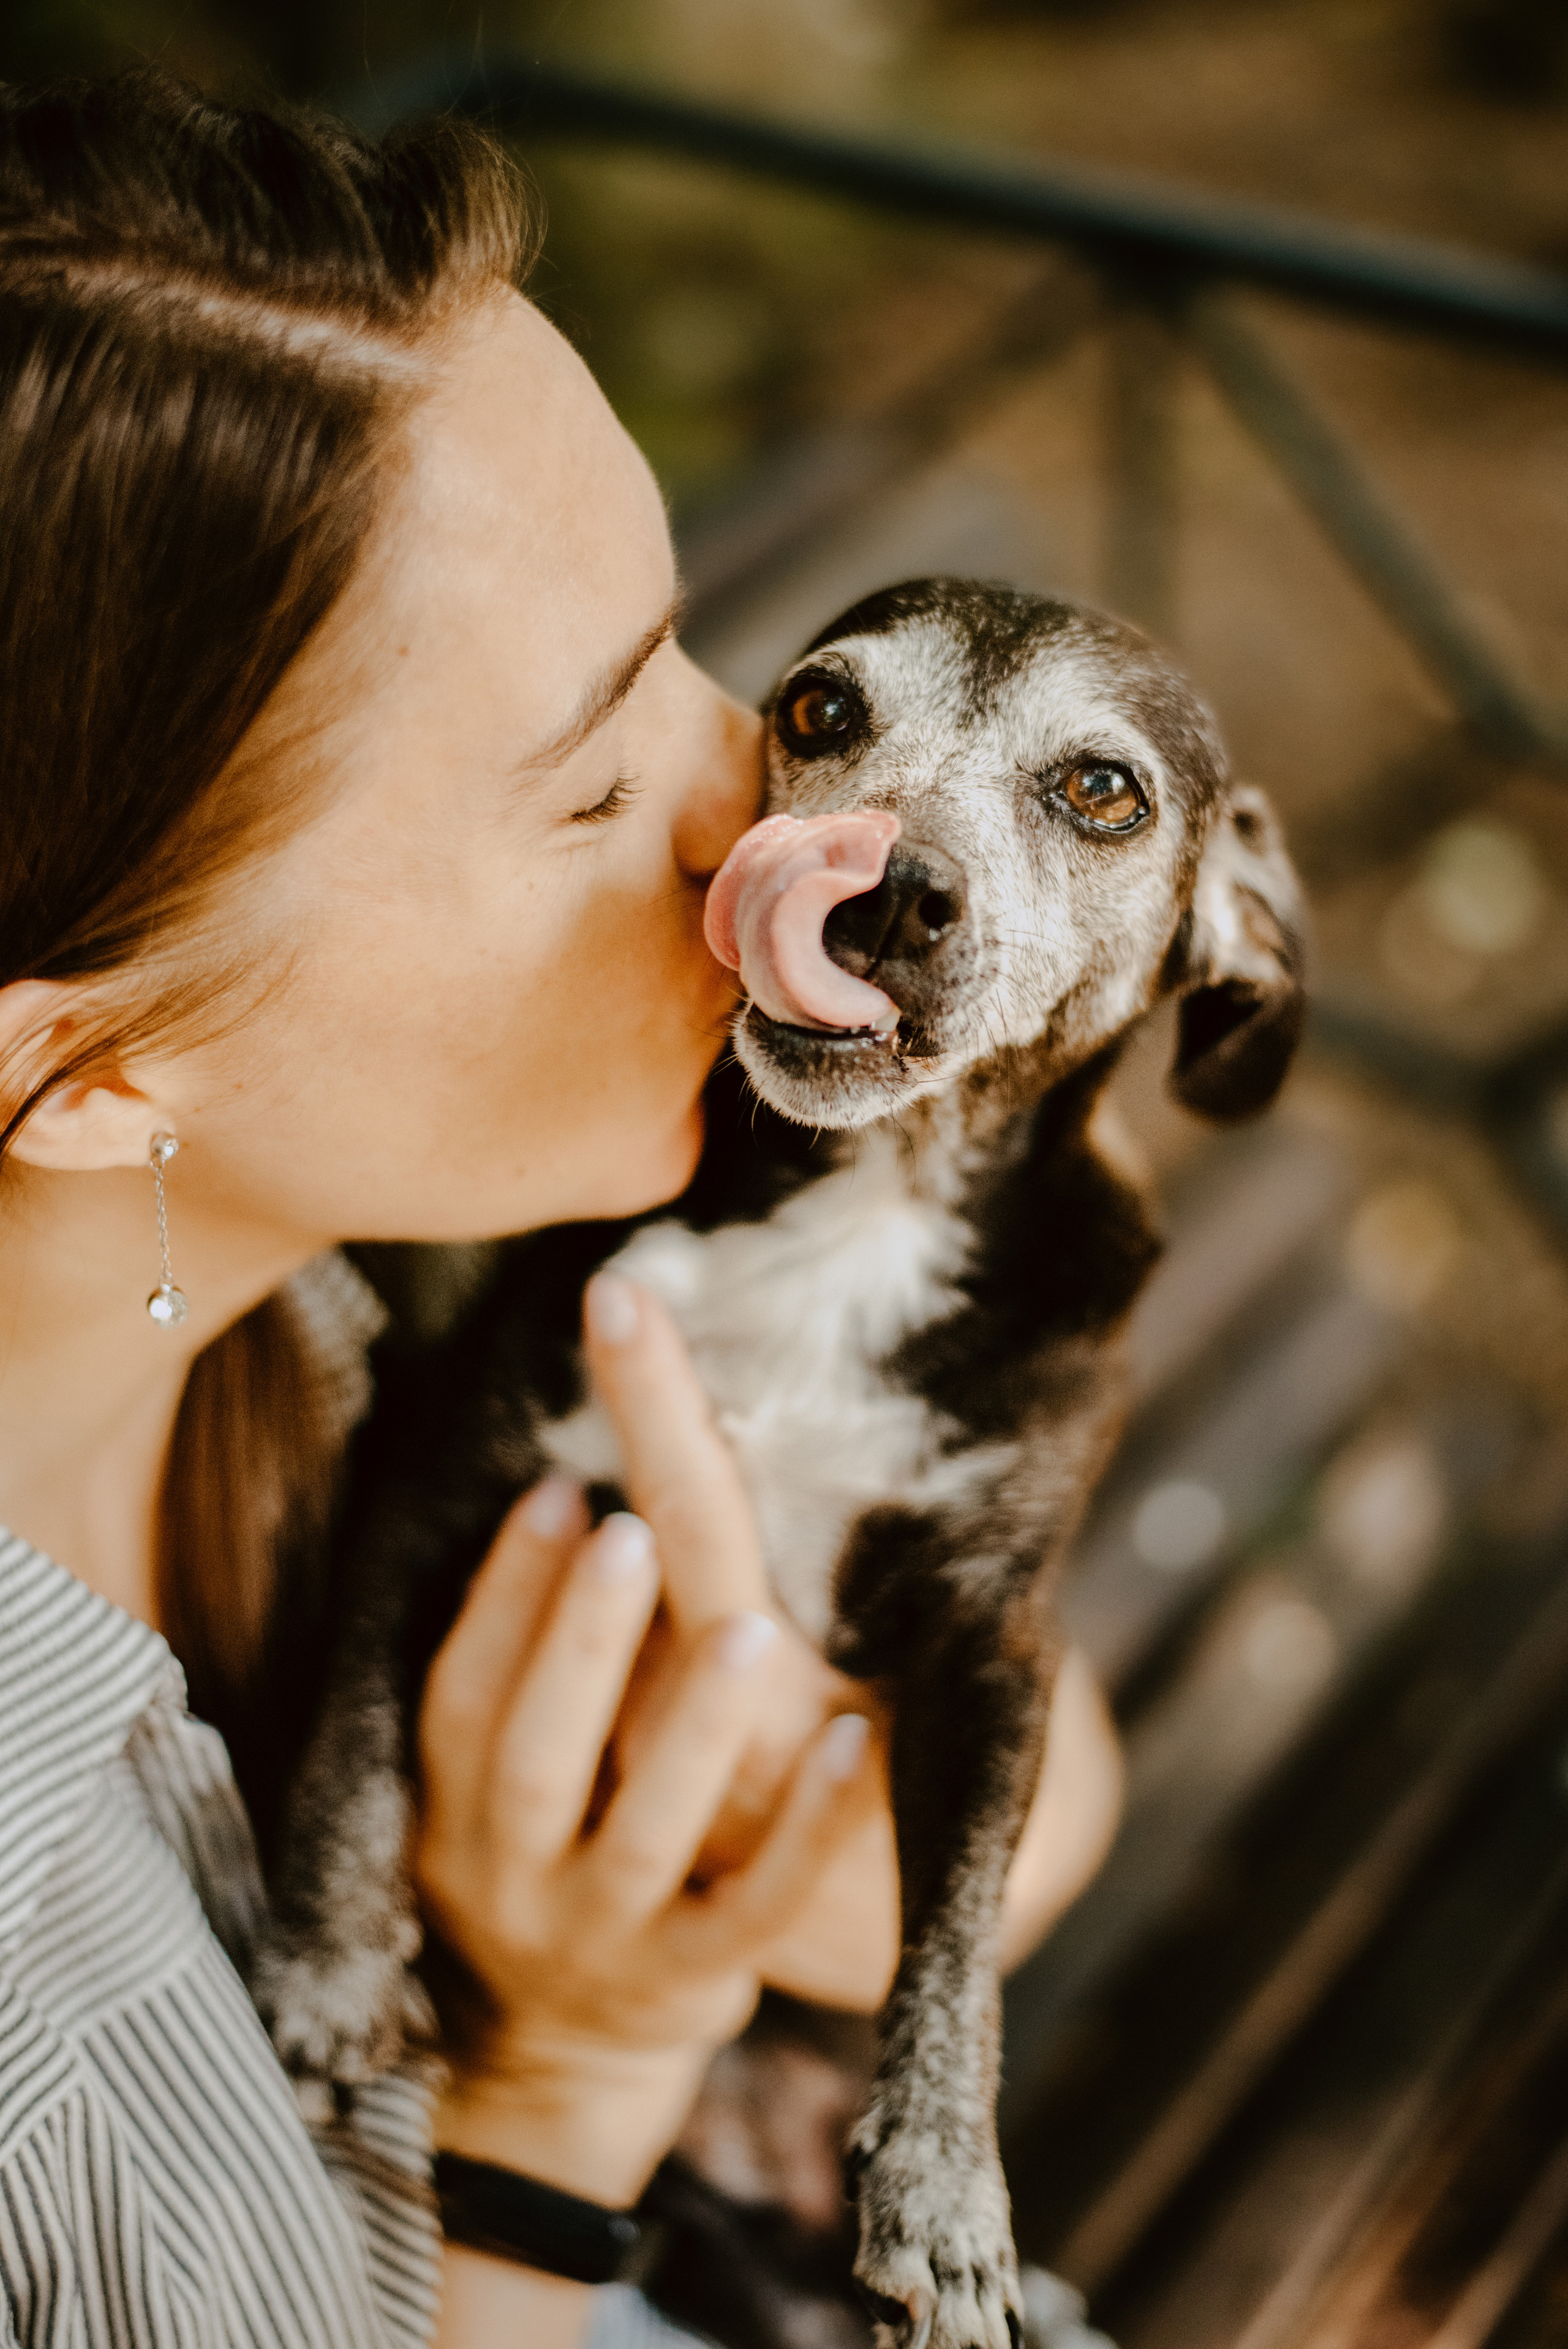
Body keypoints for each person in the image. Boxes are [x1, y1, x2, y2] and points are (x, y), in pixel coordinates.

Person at [0, 70, 1123, 2349]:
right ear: (100, 1070)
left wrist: (798, 1839)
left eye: (717, 657)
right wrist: (574, 2073)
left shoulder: (299, 1303)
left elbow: (1035, 1771)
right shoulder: (46, 2039)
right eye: (600, 776)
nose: (776, 808)